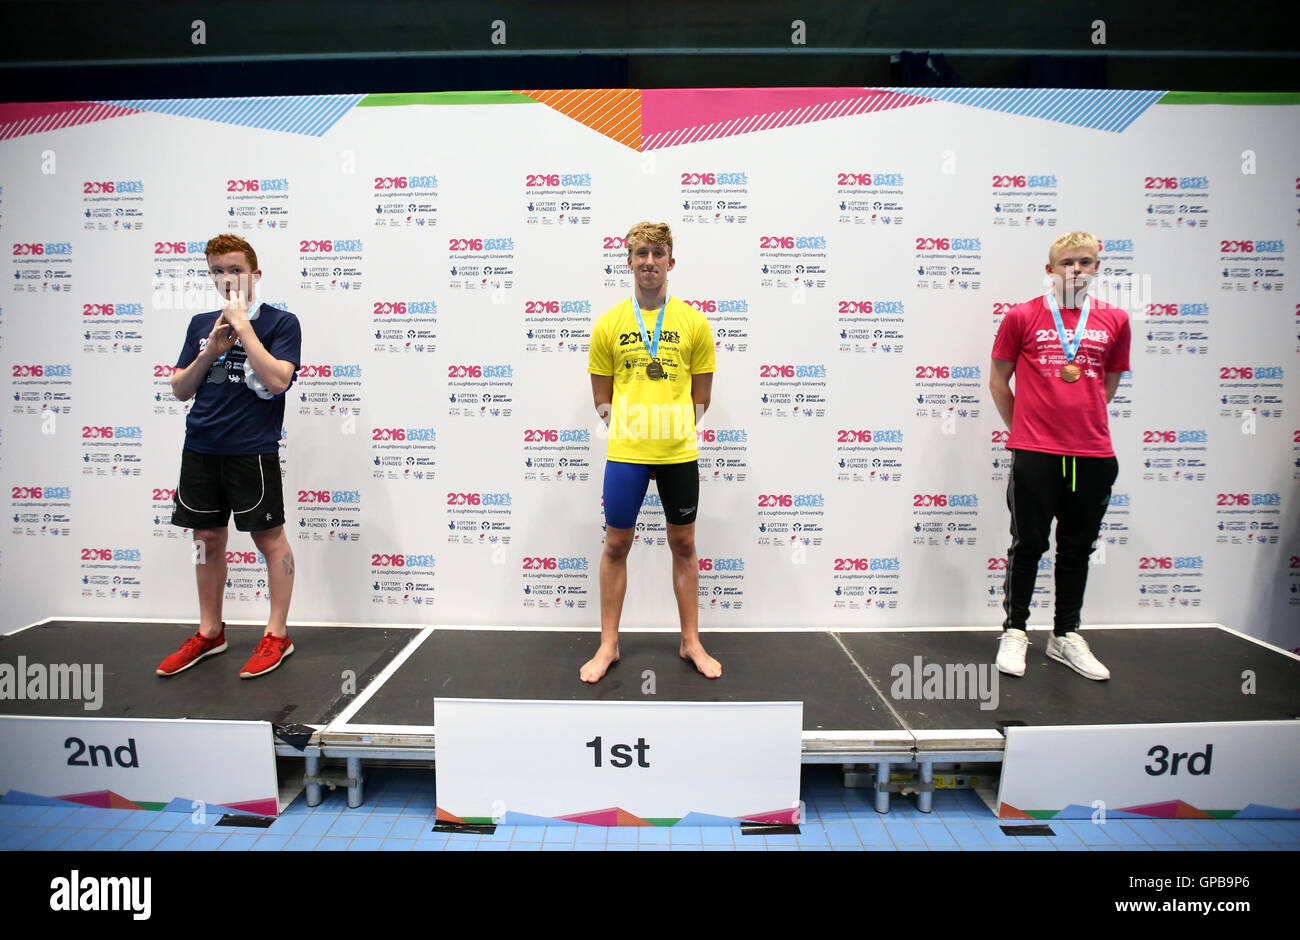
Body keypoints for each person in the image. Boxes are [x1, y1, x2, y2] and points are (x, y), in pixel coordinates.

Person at [157, 234, 302, 679]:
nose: (227, 279)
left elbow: (278, 381)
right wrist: (210, 351)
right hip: (201, 447)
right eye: (218, 271)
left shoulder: (281, 322)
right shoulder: (201, 323)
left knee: (269, 539)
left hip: (251, 451)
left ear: (254, 274)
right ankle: (209, 632)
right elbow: (181, 388)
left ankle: (277, 634)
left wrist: (243, 328)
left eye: (235, 270)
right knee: (206, 540)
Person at [989, 231, 1130, 680]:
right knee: (1028, 544)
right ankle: (1015, 631)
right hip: (1036, 452)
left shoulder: (1115, 320)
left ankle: (1065, 635)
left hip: (1092, 452)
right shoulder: (1022, 316)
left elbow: (1105, 385)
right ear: (1050, 269)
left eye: (1085, 262)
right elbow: (998, 382)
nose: (1076, 270)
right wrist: (1027, 433)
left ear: (1097, 268)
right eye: (1067, 262)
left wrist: (1077, 425)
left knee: (1076, 549)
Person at [582, 221, 720, 683]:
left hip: (678, 451)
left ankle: (691, 641)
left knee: (683, 544)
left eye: (658, 253)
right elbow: (602, 398)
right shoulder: (609, 325)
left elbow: (702, 396)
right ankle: (608, 645)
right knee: (617, 544)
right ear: (629, 262)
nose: (649, 262)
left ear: (670, 262)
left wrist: (668, 433)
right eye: (641, 253)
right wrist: (635, 433)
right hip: (627, 453)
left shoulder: (694, 322)